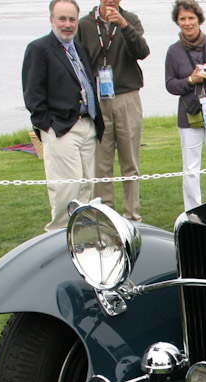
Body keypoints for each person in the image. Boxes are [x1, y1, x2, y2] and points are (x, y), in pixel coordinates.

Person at [23, 0, 105, 232]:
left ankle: (81, 234)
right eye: (62, 19)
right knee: (66, 187)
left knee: (86, 185)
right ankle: (58, 234)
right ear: (52, 20)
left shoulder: (80, 49)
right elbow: (33, 94)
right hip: (61, 128)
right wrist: (46, 126)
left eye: (72, 19)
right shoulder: (39, 49)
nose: (67, 24)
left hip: (87, 125)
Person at [77, 0, 149, 222]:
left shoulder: (131, 20)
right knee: (101, 163)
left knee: (130, 162)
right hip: (98, 99)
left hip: (127, 96)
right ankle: (106, 217)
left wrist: (124, 26)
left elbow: (142, 52)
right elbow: (80, 61)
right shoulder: (85, 25)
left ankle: (132, 217)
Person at [164, 0, 206, 211]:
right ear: (177, 21)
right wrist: (190, 81)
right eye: (182, 19)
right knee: (191, 168)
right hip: (189, 114)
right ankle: (193, 211)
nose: (187, 23)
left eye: (191, 18)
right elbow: (169, 84)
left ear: (199, 19)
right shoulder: (173, 51)